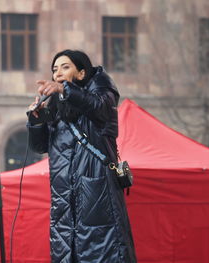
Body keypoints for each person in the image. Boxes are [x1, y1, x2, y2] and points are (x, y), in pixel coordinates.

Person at [27, 49, 137, 262]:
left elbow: (99, 107)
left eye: (65, 67)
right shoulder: (57, 107)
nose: (58, 73)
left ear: (81, 73)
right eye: (54, 69)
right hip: (63, 199)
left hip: (97, 194)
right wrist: (36, 120)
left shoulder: (102, 93)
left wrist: (64, 89)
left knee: (104, 252)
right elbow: (40, 146)